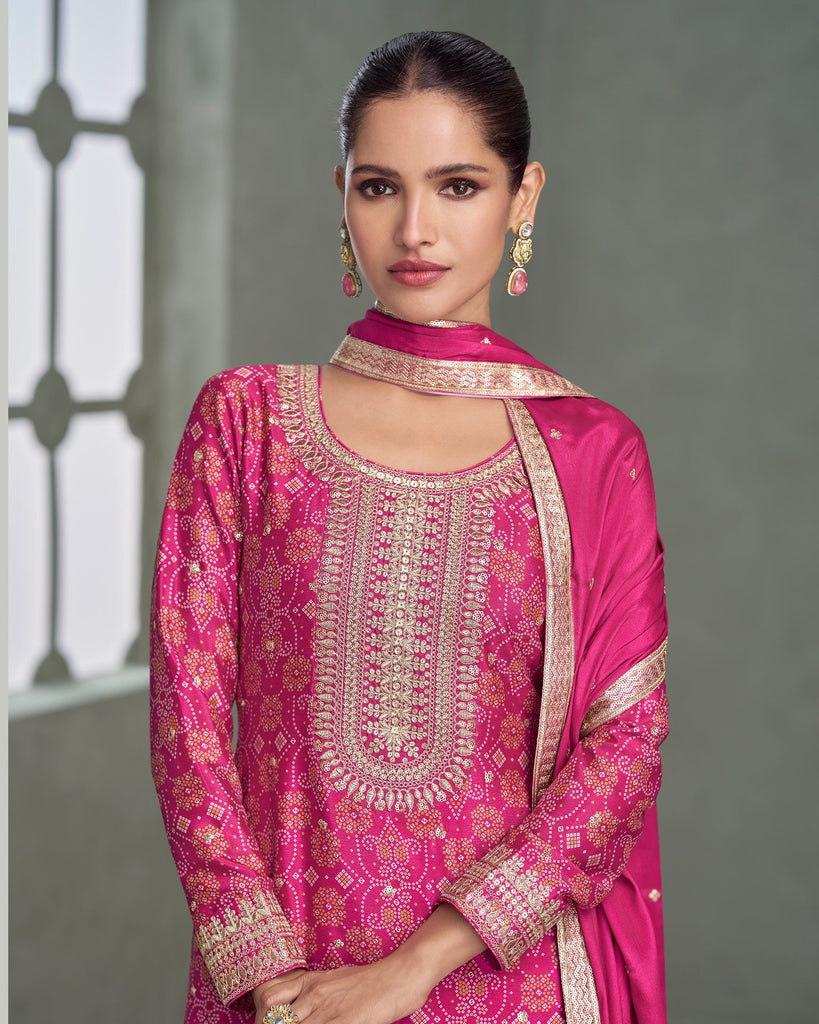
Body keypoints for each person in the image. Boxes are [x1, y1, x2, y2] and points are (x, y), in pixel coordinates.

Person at [150, 30, 669, 1024]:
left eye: (459, 186)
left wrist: (413, 968)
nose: (415, 229)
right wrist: (270, 981)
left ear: (523, 198)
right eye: (379, 187)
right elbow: (189, 725)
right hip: (282, 983)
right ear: (341, 197)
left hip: (510, 984)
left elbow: (625, 751)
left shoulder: (592, 450)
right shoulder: (248, 424)